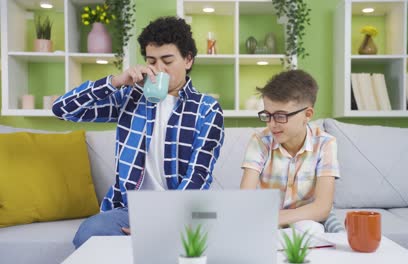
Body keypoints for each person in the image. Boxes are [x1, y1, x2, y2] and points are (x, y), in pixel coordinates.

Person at [52, 16, 225, 248]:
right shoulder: (130, 98)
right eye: (151, 61)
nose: (159, 68)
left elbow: (198, 176)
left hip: (184, 209)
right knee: (90, 232)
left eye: (167, 60)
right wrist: (115, 81)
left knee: (206, 236)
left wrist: (161, 223)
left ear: (188, 60)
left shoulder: (207, 109)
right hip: (131, 209)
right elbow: (63, 109)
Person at [240, 69, 344, 232]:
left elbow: (322, 208)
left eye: (281, 116)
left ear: (307, 114)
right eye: (268, 115)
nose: (272, 124)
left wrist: (274, 218)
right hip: (267, 219)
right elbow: (245, 199)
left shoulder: (325, 143)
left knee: (312, 229)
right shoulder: (260, 141)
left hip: (306, 219)